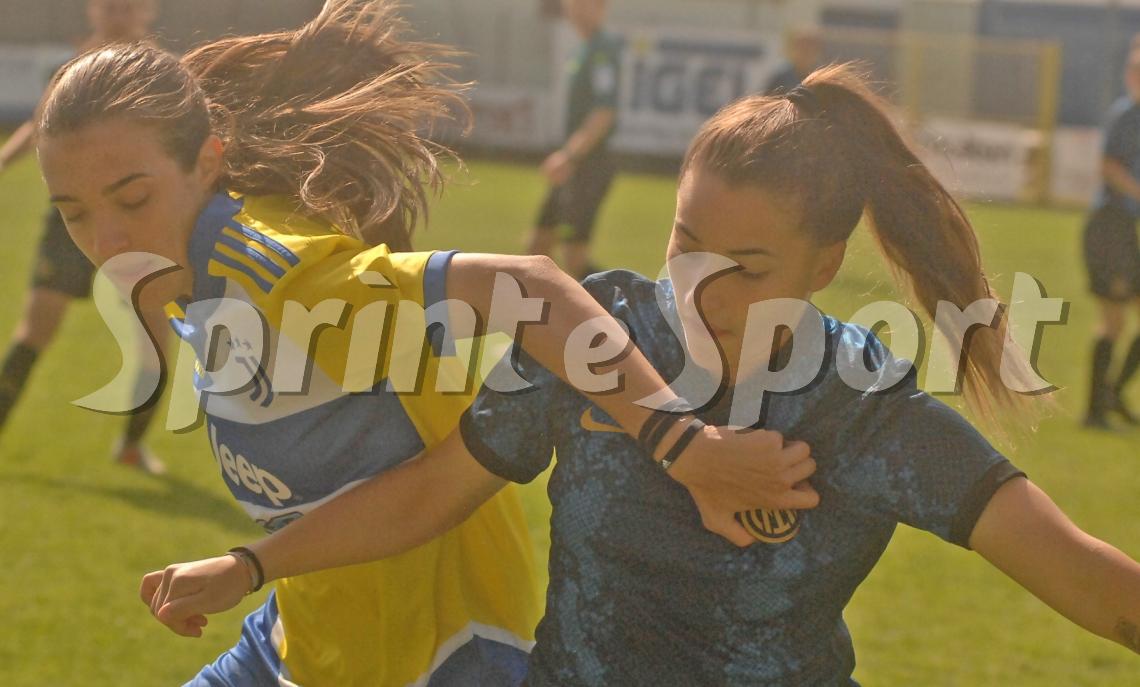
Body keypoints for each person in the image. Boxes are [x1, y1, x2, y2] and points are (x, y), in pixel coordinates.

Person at [145, 65, 1140, 685]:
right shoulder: (601, 342)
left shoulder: (864, 412)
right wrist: (252, 566)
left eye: (747, 269)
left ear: (825, 268)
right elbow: (428, 494)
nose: (700, 288)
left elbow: (1087, 582)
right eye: (685, 243)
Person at [35, 1, 818, 684]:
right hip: (302, 642)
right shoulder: (181, 272)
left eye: (130, 198)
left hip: (439, 653)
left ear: (205, 163)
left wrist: (683, 443)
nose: (106, 240)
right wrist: (251, 571)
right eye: (73, 212)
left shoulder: (279, 277)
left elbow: (535, 289)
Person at [0, 0, 166, 472]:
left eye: (128, 6)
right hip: (74, 218)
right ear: (93, 10)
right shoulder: (71, 67)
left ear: (147, 11)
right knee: (35, 330)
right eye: (110, 5)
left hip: (139, 222)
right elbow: (39, 124)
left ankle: (131, 447)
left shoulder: (158, 71)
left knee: (155, 343)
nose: (118, 13)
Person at [526, 0, 622, 280]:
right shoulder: (583, 48)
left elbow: (604, 112)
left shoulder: (603, 50)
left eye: (584, 3)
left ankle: (629, 306)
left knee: (574, 257)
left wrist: (569, 156)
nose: (576, 9)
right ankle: (538, 319)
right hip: (575, 166)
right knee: (538, 245)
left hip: (588, 165)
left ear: (601, 7)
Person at [1081, 46, 1140, 429]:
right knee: (1113, 321)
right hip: (1108, 230)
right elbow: (1108, 167)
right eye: (1134, 68)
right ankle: (1095, 411)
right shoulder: (1125, 116)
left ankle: (1114, 392)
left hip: (1126, 231)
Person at [764, 27, 823, 96]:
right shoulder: (781, 78)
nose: (805, 52)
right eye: (801, 47)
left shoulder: (822, 78)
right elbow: (767, 102)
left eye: (810, 46)